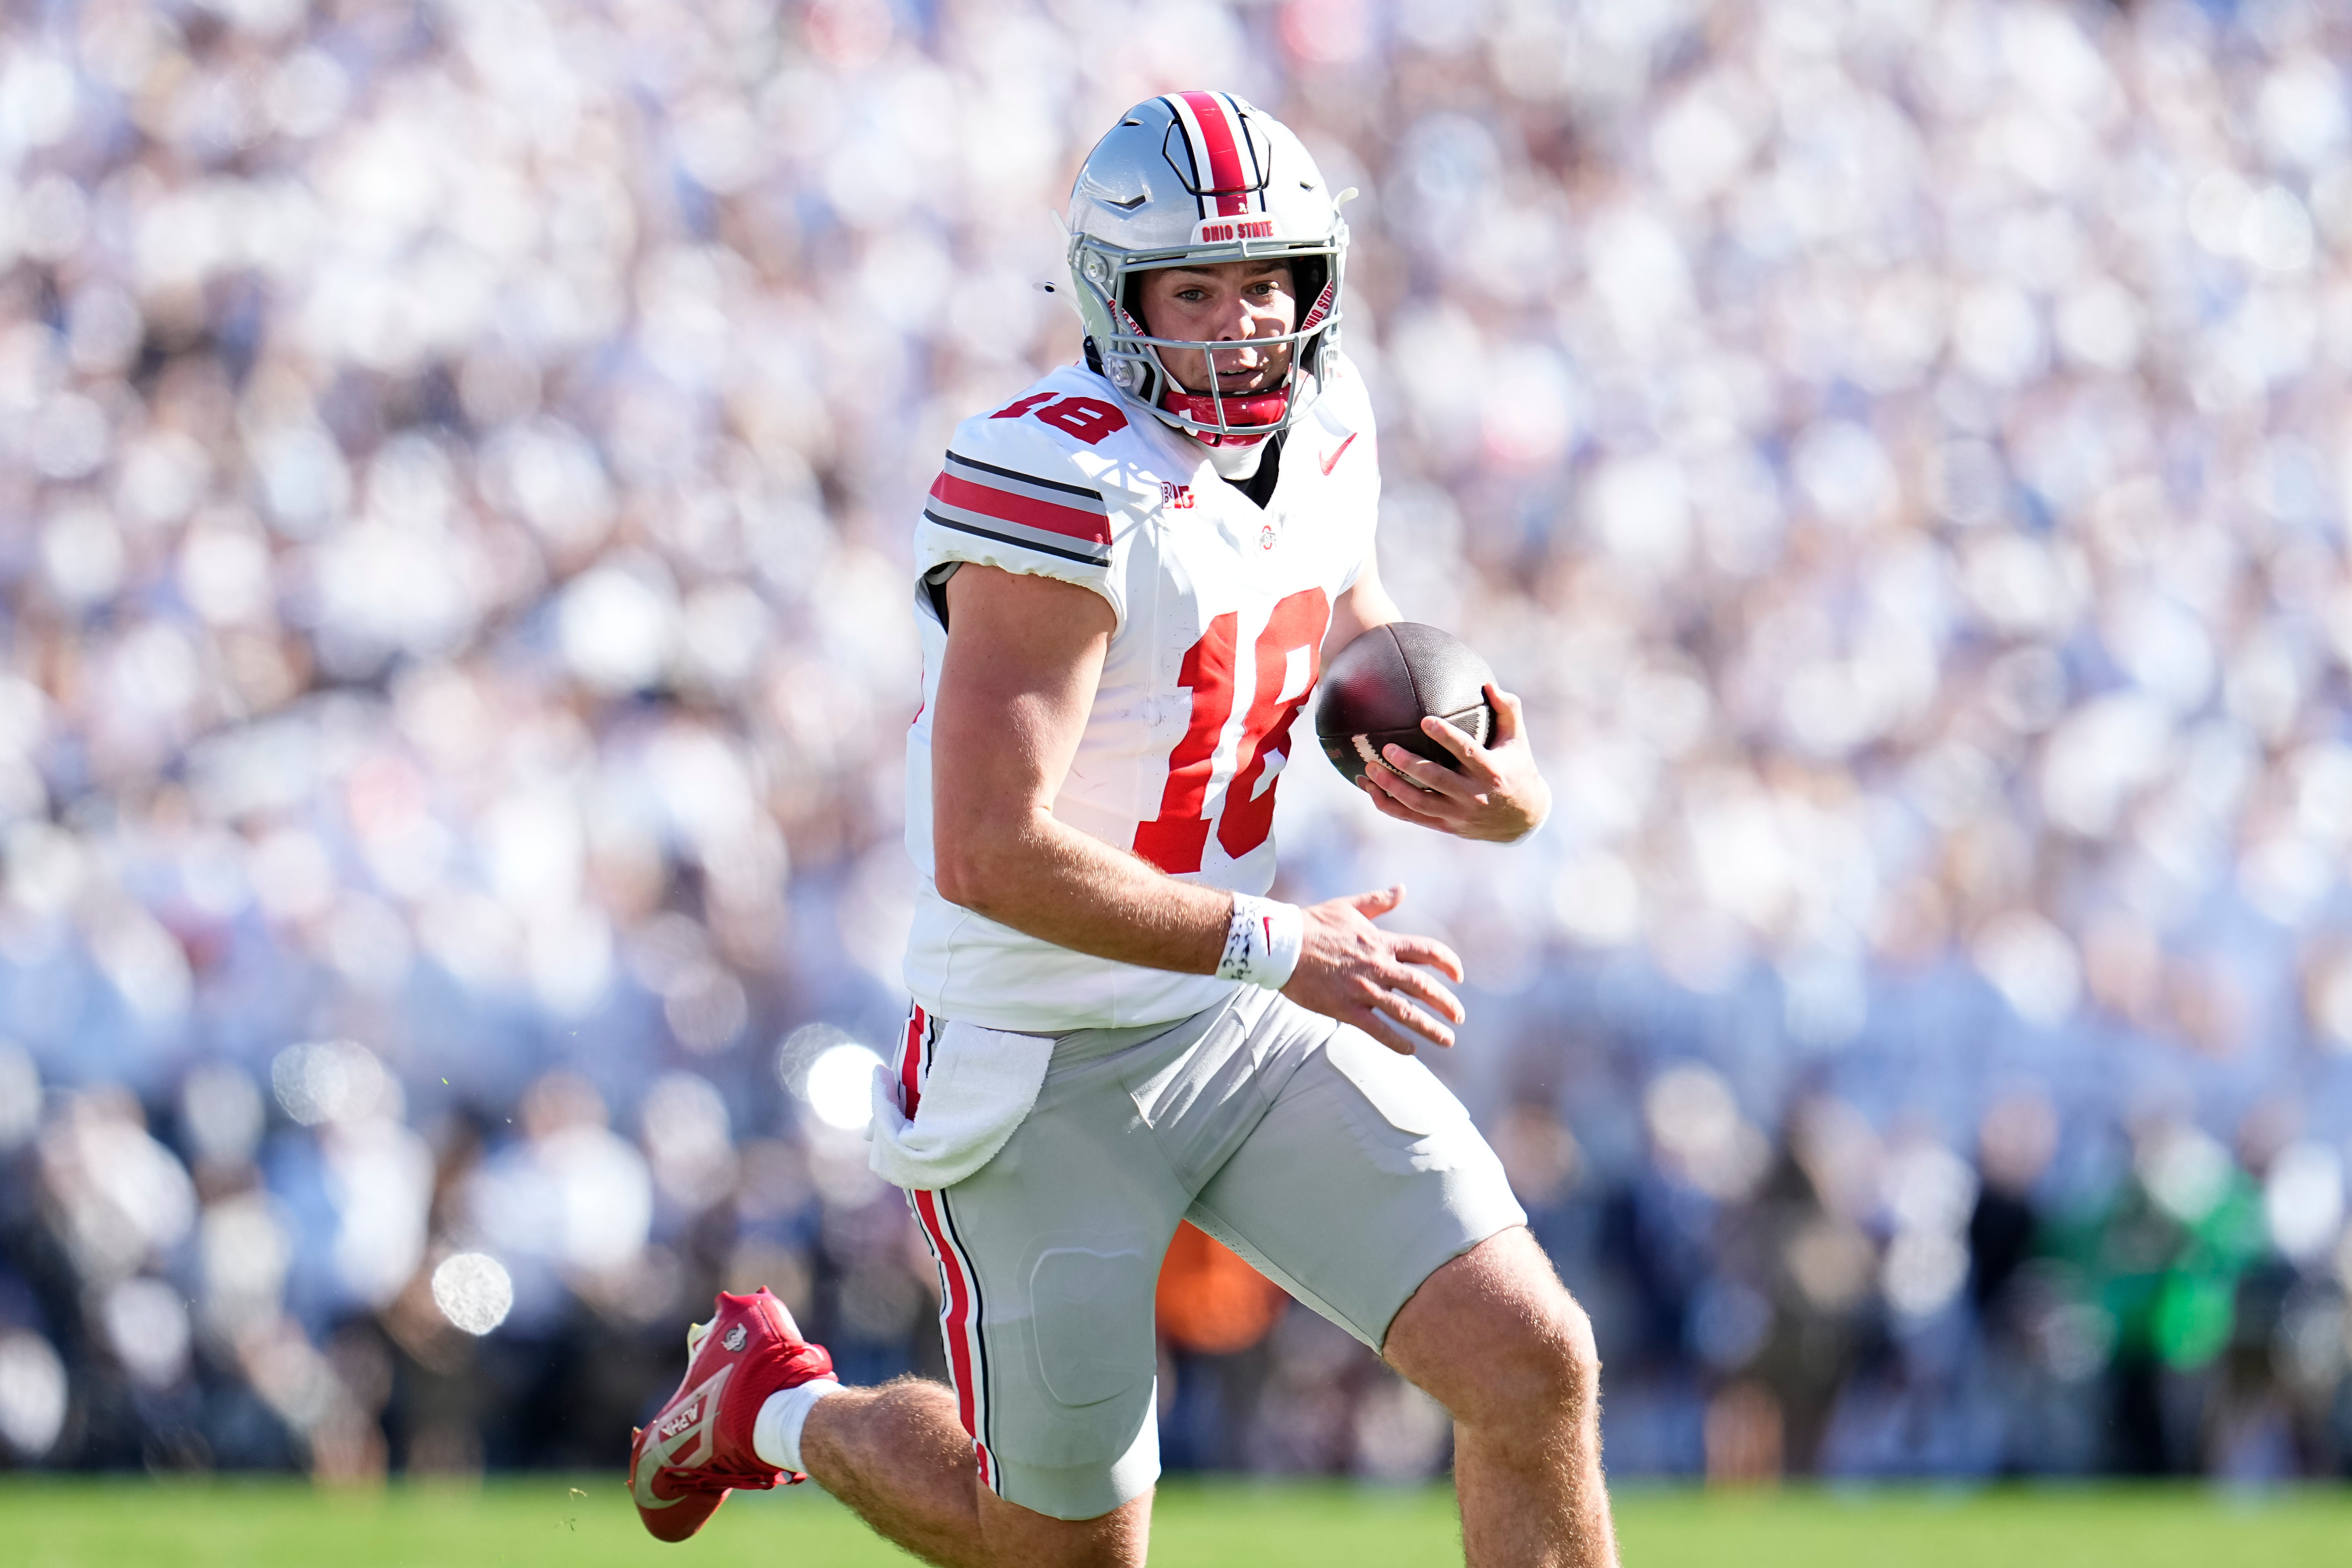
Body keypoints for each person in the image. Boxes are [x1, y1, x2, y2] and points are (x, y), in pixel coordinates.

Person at [628, 92, 1619, 1568]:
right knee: (1063, 1551)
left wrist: (1505, 784)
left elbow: (1355, 633)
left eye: (1269, 281)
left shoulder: (1329, 423)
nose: (1240, 326)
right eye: (1196, 291)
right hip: (1044, 1053)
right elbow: (987, 848)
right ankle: (777, 1406)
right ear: (1117, 296)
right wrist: (1275, 941)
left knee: (1530, 1359)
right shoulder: (1059, 480)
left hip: (1234, 1009)